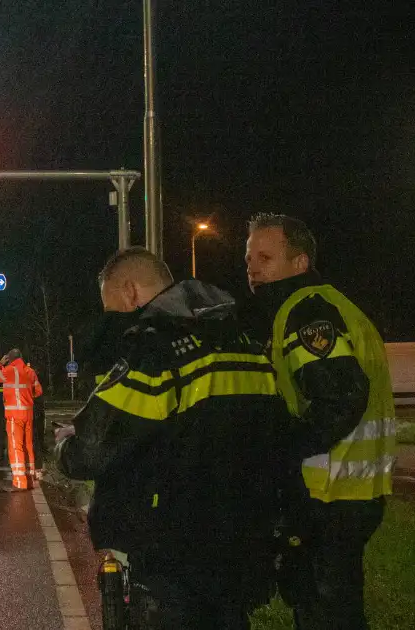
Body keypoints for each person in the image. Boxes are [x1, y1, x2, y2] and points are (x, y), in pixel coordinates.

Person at [55, 247, 288, 628]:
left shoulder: (154, 348)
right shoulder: (242, 340)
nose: (112, 319)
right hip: (243, 542)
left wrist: (66, 443)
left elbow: (92, 450)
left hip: (174, 556)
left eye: (111, 307)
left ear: (130, 292)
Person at [244, 213, 395, 630]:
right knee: (327, 607)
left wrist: (282, 451)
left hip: (330, 493)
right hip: (345, 490)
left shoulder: (306, 311)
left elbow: (340, 396)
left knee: (327, 612)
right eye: (249, 258)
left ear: (300, 263)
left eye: (266, 257)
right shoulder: (319, 303)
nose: (253, 268)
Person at [0, 348, 43, 491]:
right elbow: (38, 391)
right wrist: (27, 399)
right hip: (28, 414)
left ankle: (19, 482)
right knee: (28, 445)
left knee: (15, 447)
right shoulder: (30, 372)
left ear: (9, 359)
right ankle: (30, 477)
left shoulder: (8, 371)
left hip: (14, 414)